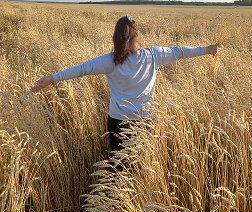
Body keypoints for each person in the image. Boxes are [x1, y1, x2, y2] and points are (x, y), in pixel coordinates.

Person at [31, 15, 222, 152]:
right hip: (143, 120)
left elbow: (82, 69)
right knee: (139, 165)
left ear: (116, 37)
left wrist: (51, 78)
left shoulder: (110, 60)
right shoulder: (153, 55)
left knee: (118, 166)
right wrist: (209, 49)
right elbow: (180, 51)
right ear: (137, 35)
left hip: (117, 121)